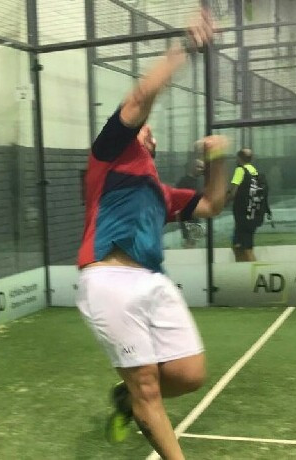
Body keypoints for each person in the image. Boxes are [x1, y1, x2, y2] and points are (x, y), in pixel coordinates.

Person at [76, 10, 228, 460]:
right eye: (141, 123)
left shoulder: (160, 193)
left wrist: (217, 160)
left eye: (147, 129)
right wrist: (185, 47)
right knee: (148, 388)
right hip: (108, 278)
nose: (145, 125)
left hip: (152, 281)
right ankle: (142, 407)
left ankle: (124, 399)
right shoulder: (109, 156)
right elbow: (142, 94)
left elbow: (212, 205)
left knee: (188, 375)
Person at [227, 148, 271, 262]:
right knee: (239, 247)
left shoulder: (240, 170)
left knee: (245, 248)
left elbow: (233, 192)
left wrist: (223, 202)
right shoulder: (255, 172)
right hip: (255, 214)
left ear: (239, 158)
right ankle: (242, 269)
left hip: (242, 216)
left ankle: (252, 270)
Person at [176, 158, 205, 248]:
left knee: (193, 242)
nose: (201, 169)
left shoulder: (199, 181)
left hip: (195, 216)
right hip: (187, 216)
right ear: (192, 167)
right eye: (199, 167)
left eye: (202, 167)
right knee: (189, 242)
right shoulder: (183, 182)